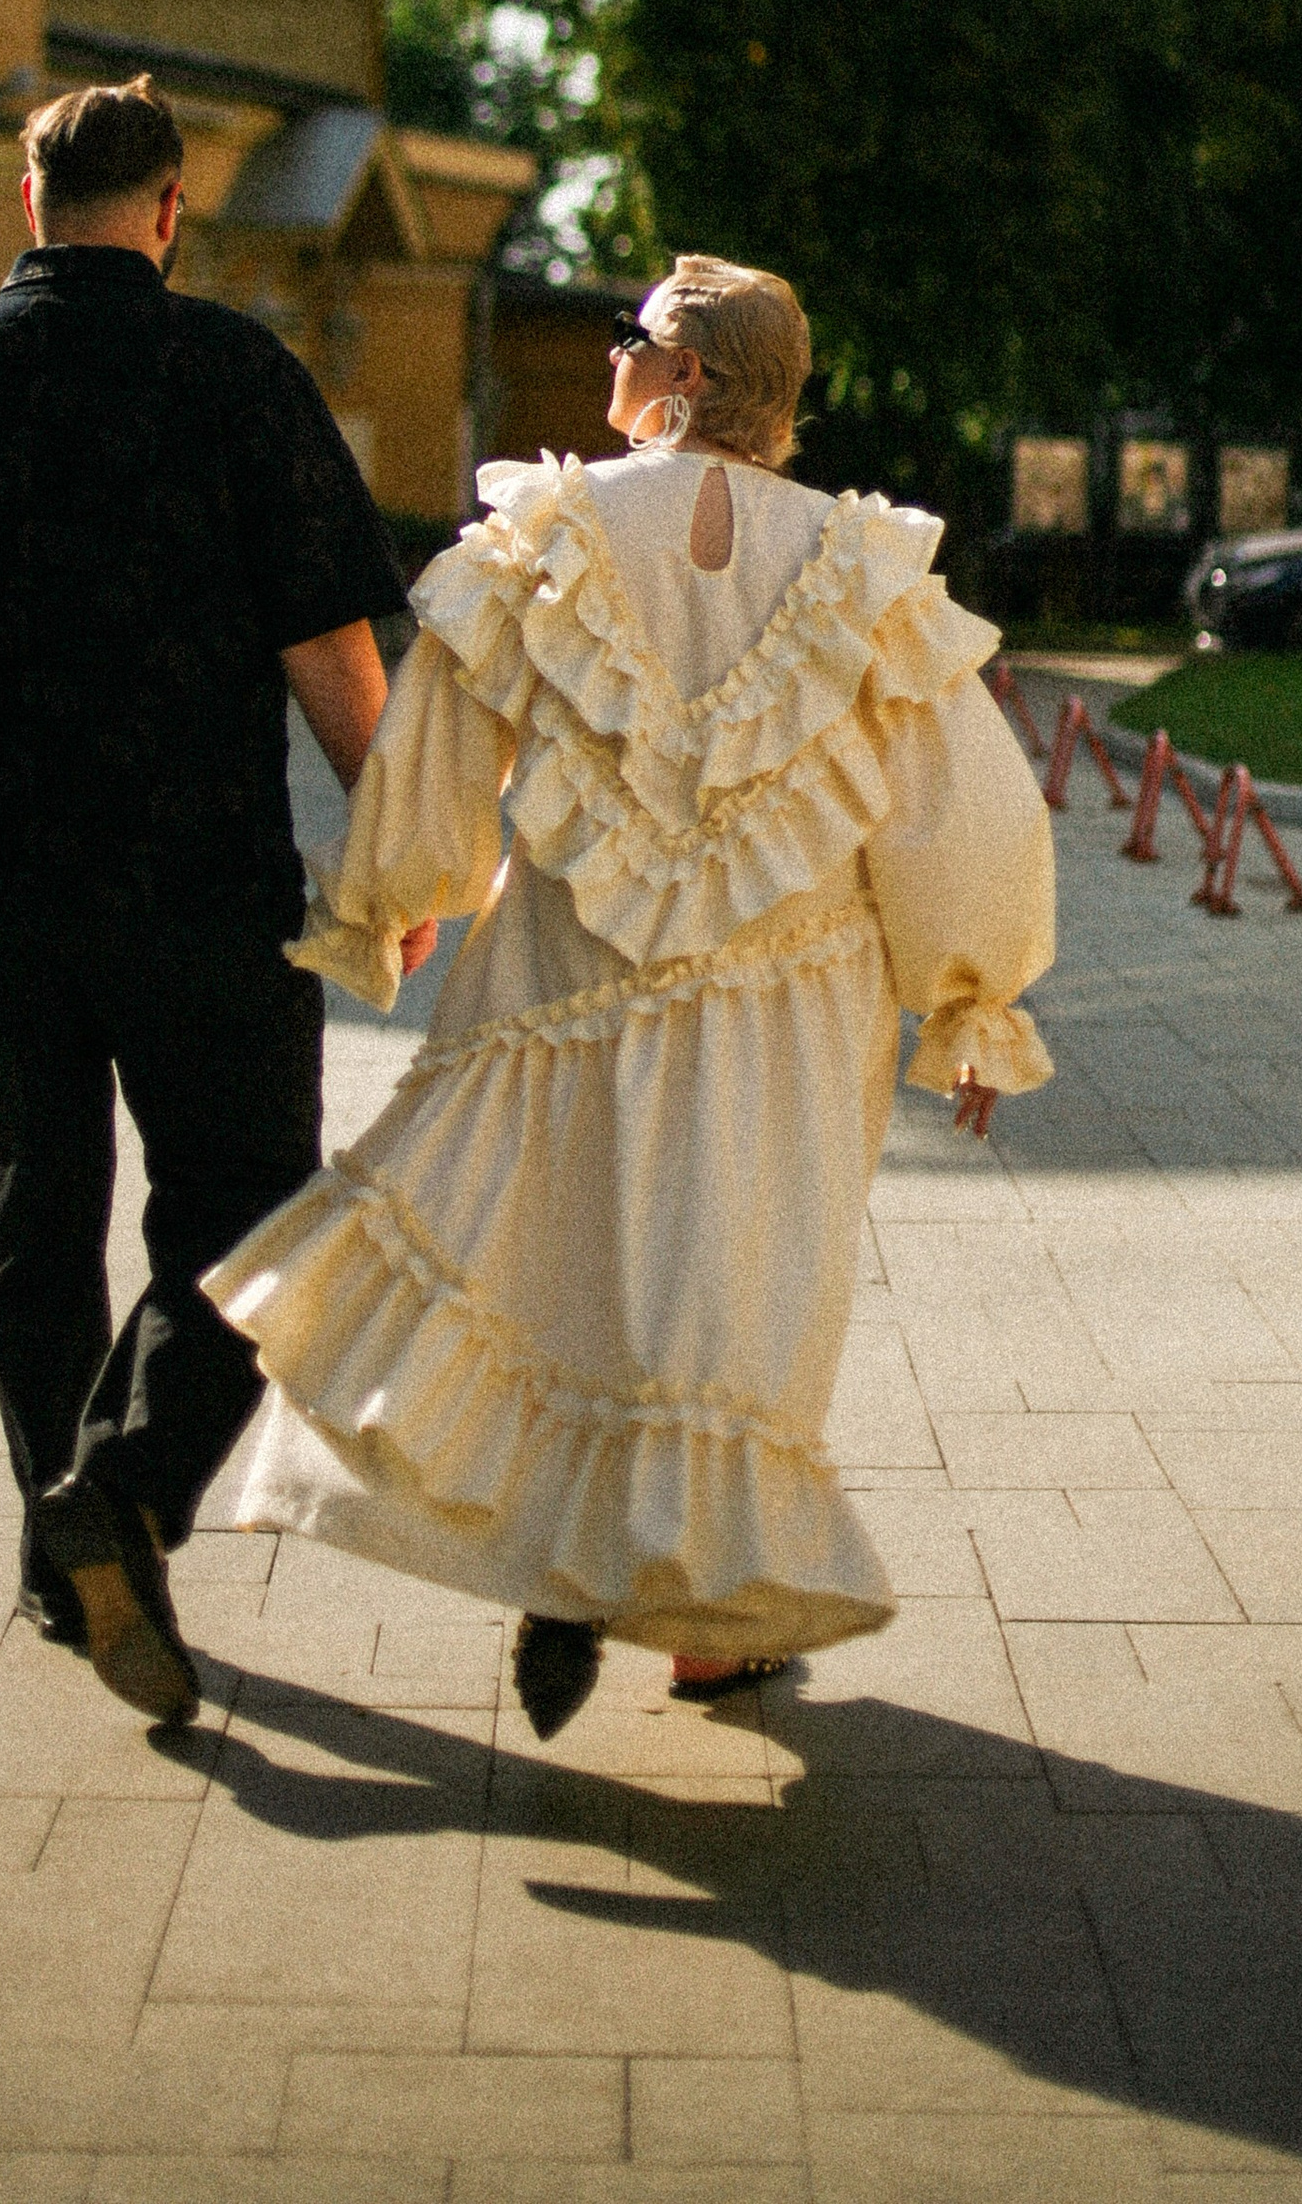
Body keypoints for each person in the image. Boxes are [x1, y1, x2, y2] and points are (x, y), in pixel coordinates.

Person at [205, 253, 1055, 1739]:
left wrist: (398, 896)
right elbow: (953, 801)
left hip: (569, 973)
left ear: (690, 377)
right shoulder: (861, 567)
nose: (611, 356)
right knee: (731, 1300)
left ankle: (572, 1570)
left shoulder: (547, 535)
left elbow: (442, 742)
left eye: (632, 338)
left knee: (551, 1260)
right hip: (791, 1000)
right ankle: (698, 1623)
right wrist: (969, 991)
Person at [0, 77, 406, 1728]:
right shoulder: (237, 375)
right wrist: (400, 850)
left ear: (29, 201)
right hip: (201, 875)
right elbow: (331, 646)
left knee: (31, 1207)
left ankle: (66, 1545)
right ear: (172, 207)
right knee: (258, 1211)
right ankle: (120, 1493)